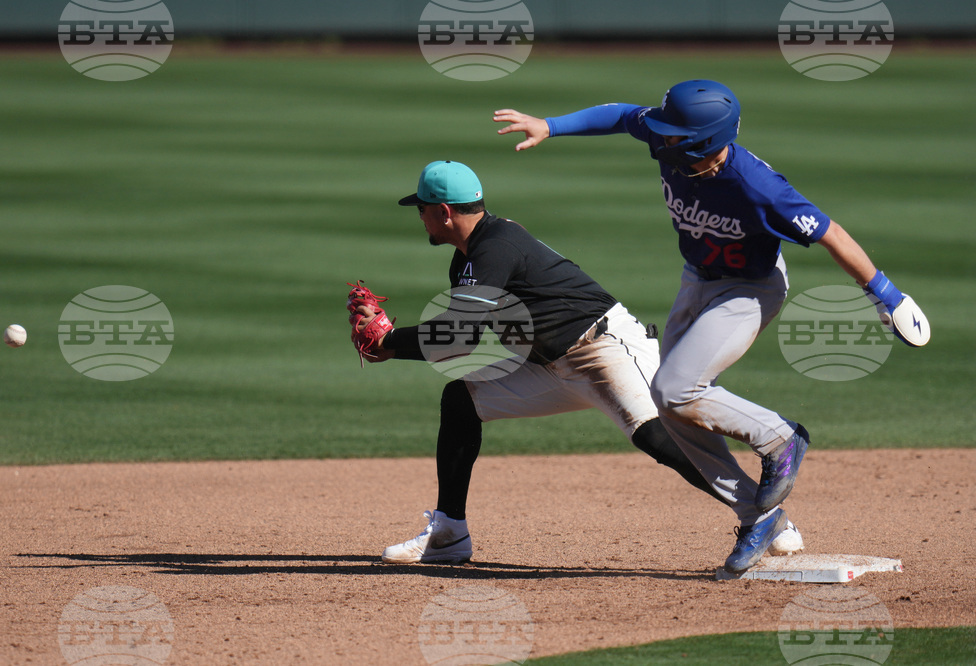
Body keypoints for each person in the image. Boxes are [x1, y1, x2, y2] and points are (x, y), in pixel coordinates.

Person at [493, 80, 926, 573]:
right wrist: (551, 125)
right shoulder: (669, 140)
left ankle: (781, 438)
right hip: (697, 280)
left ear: (703, 141)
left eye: (671, 133)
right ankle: (756, 517)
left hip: (749, 290)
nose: (659, 137)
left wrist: (886, 295)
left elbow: (831, 233)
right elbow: (620, 115)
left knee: (677, 389)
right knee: (668, 404)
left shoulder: (758, 187)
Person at [355, 159, 804, 565]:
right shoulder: (468, 260)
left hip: (604, 348)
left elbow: (459, 334)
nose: (420, 217)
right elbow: (465, 343)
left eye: (422, 208)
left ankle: (763, 515)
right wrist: (394, 343)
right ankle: (450, 532)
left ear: (444, 212)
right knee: (461, 401)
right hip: (551, 364)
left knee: (658, 437)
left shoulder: (496, 246)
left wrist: (391, 341)